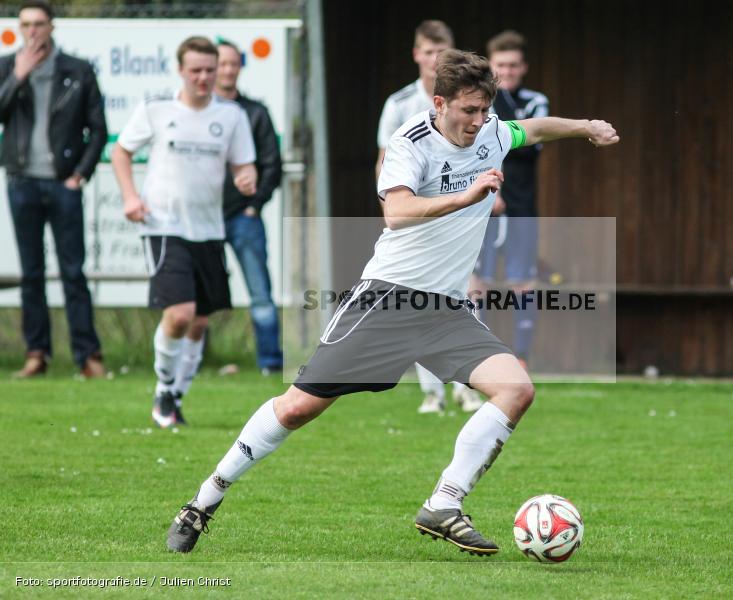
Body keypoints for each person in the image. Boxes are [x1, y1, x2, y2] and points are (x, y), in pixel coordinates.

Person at [165, 49, 619, 556]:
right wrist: (465, 198)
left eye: (484, 110)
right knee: (298, 408)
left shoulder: (492, 131)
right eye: (468, 111)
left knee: (516, 389)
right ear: (440, 102)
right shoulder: (410, 142)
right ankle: (203, 501)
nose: (478, 122)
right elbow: (397, 212)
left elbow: (532, 129)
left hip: (445, 309)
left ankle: (444, 504)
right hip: (388, 298)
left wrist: (585, 127)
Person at [111, 36, 257, 427]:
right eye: (196, 70)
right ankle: (162, 389)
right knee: (179, 314)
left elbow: (245, 166)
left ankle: (175, 397)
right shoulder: (157, 108)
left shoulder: (231, 115)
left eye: (210, 69)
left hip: (208, 230)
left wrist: (246, 177)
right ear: (180, 70)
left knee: (199, 322)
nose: (204, 77)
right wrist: (129, 196)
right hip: (163, 225)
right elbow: (120, 151)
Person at [375, 19, 481, 414]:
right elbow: (384, 160)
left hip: (462, 215)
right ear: (416, 54)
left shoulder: (470, 100)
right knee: (420, 299)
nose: (434, 58)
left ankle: (466, 382)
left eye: (442, 52)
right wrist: (391, 204)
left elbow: (484, 148)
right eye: (427, 51)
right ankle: (432, 391)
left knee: (468, 290)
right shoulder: (400, 104)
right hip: (418, 214)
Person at [0, 0, 107, 378]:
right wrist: (18, 77)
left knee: (73, 272)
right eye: (26, 24)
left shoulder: (77, 70)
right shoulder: (6, 66)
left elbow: (98, 130)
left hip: (63, 184)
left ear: (52, 27)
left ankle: (88, 356)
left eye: (39, 24)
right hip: (22, 182)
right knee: (32, 273)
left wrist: (79, 174)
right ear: (18, 27)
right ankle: (36, 354)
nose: (32, 31)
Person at [474, 30, 548, 369]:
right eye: (501, 65)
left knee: (522, 281)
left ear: (524, 67)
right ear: (491, 66)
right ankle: (478, 354)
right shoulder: (479, 104)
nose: (508, 71)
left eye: (514, 65)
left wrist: (497, 99)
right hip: (483, 206)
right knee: (479, 281)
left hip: (521, 206)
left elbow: (530, 144)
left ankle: (522, 358)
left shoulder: (536, 102)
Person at [215, 40, 284, 375]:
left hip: (244, 217)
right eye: (222, 64)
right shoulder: (199, 114)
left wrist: (254, 205)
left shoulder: (255, 112)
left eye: (233, 63)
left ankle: (270, 364)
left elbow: (272, 164)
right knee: (198, 301)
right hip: (202, 219)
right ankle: (191, 365)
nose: (227, 70)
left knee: (260, 296)